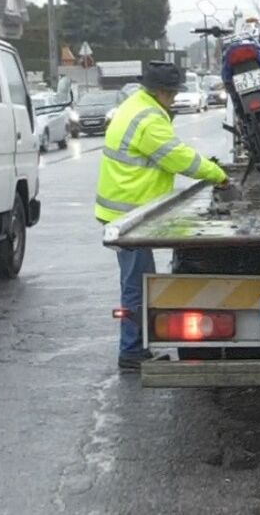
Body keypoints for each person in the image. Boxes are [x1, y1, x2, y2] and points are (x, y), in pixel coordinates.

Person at [95, 61, 229, 371]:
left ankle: (135, 345)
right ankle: (130, 351)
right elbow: (176, 157)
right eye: (171, 93)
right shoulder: (149, 117)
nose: (174, 98)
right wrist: (216, 174)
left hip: (122, 210)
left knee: (136, 280)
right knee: (137, 284)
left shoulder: (135, 105)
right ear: (160, 92)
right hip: (128, 215)